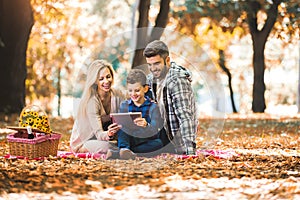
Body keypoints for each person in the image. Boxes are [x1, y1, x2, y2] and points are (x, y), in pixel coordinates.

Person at [143, 40, 197, 155]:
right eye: (149, 64)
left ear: (167, 60)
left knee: (141, 149)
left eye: (156, 63)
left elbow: (185, 117)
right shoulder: (151, 79)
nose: (153, 68)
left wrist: (190, 151)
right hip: (159, 133)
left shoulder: (177, 81)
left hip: (174, 140)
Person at [106, 69, 164, 160]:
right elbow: (121, 128)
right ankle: (125, 150)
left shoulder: (153, 107)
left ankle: (120, 152)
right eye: (130, 90)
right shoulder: (124, 105)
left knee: (158, 143)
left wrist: (146, 125)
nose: (133, 94)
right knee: (123, 131)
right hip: (128, 138)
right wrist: (113, 130)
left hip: (144, 140)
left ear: (145, 89)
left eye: (137, 90)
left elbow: (155, 131)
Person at [70, 59, 125, 154]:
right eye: (101, 79)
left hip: (107, 138)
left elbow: (128, 112)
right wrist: (109, 134)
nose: (106, 81)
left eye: (108, 77)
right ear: (95, 81)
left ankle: (121, 150)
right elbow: (99, 133)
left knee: (125, 142)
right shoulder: (92, 101)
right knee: (109, 146)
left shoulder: (117, 94)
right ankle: (121, 151)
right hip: (86, 141)